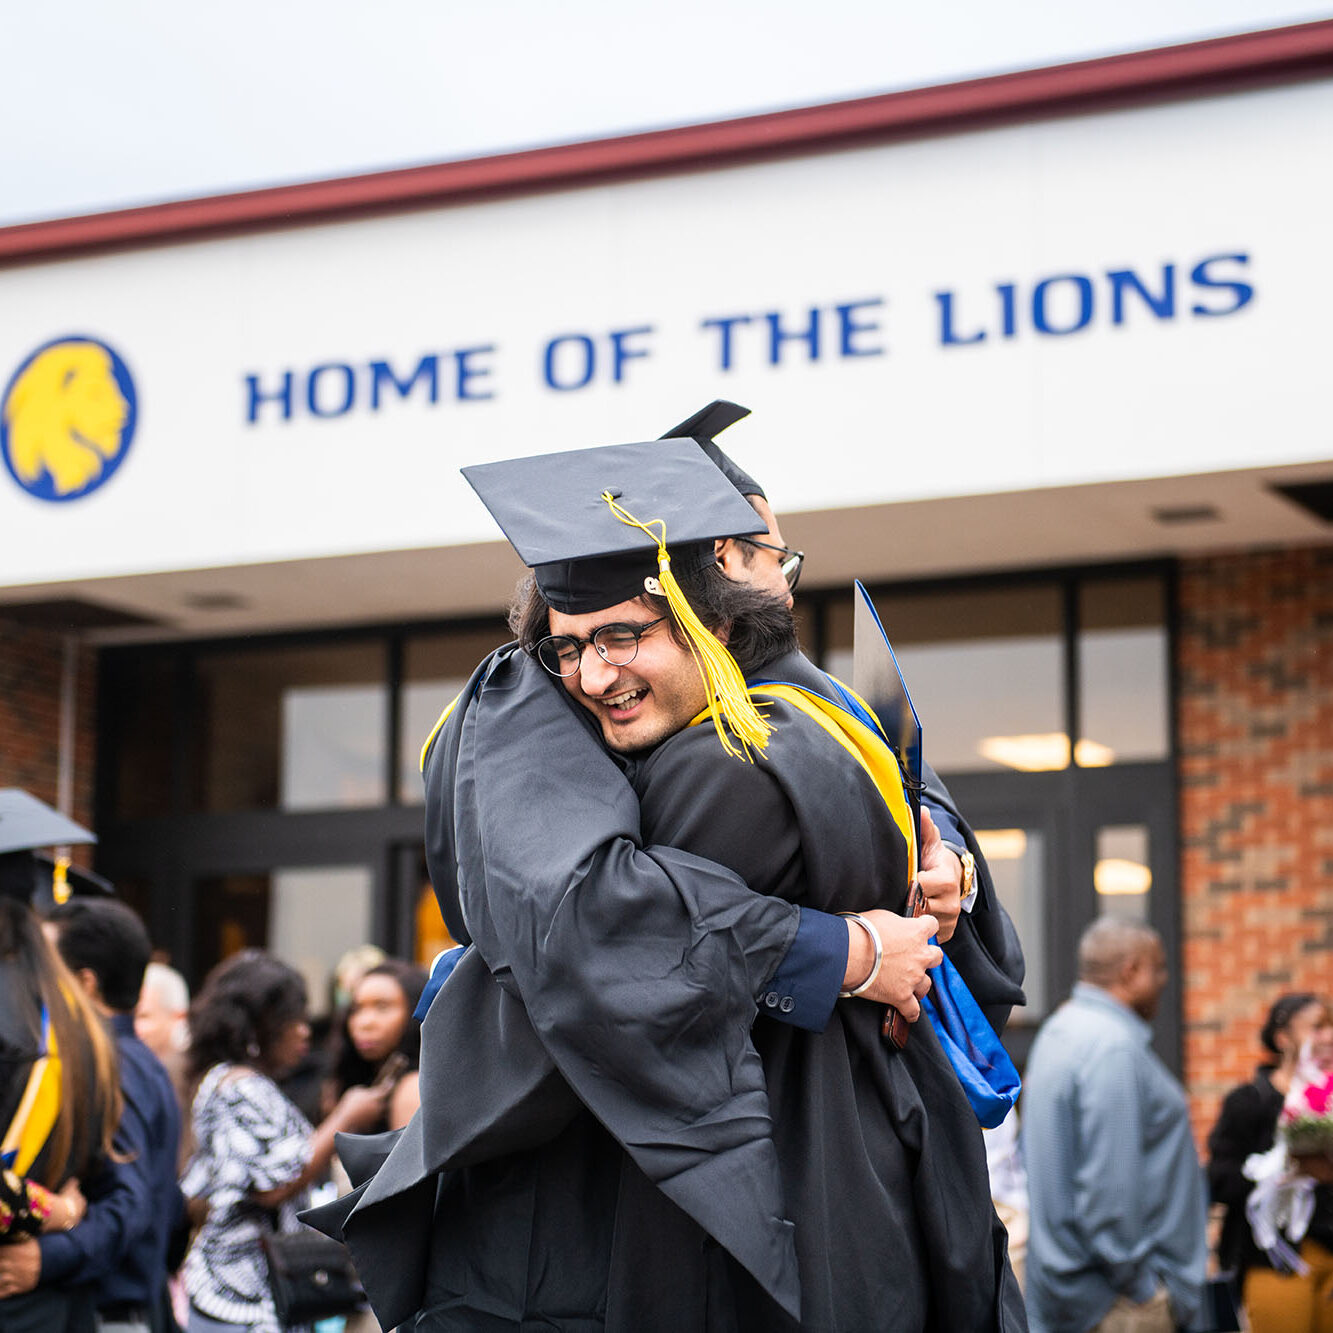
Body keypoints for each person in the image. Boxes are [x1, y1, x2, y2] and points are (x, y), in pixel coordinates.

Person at [318, 438, 1022, 1330]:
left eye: (622, 634)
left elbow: (608, 945)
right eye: (569, 645)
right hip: (831, 1173)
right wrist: (850, 950)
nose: (594, 674)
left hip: (752, 1182)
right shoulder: (586, 721)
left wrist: (941, 869)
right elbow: (590, 927)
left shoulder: (736, 758)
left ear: (713, 617)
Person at [180, 950, 389, 1333]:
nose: (304, 1029)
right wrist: (344, 1118)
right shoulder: (241, 1087)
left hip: (246, 1295)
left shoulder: (232, 1080)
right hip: (240, 1298)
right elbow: (270, 1184)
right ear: (260, 1024)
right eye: (294, 1017)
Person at [1022, 917, 1206, 1333]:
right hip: (1118, 1304)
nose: (1162, 980)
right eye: (1158, 968)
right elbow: (1109, 1194)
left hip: (1069, 1295)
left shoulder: (1058, 1031)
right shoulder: (1112, 1049)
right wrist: (1144, 1286)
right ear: (1132, 971)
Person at [0, 790, 132, 1333]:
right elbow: (117, 1184)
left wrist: (49, 1212)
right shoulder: (82, 1028)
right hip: (54, 1310)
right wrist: (67, 1215)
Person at [45, 897, 185, 1333]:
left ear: (85, 983)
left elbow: (131, 1200)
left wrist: (42, 1259)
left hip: (109, 1313)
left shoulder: (110, 1066)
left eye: (45, 966)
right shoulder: (137, 1060)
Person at [1208, 993, 1332, 1324]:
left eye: (1332, 1026)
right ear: (1283, 1038)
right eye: (1317, 1027)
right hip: (1275, 1261)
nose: (1329, 1036)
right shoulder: (1250, 1102)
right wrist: (1282, 1171)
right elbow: (1221, 1180)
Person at [325, 959, 427, 1132]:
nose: (365, 1022)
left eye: (382, 1007)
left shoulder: (413, 1087)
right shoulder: (347, 1081)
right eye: (356, 1009)